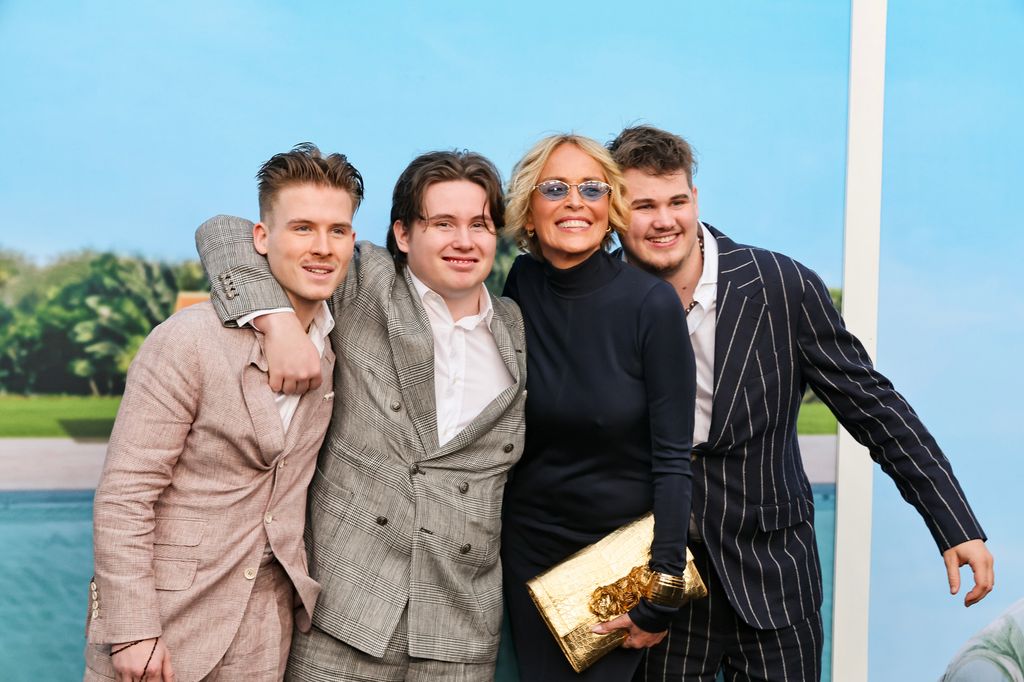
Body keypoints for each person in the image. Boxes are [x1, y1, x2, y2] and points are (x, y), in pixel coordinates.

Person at [605, 124, 994, 682]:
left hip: (775, 584)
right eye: (643, 205)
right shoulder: (602, 302)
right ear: (617, 213)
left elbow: (874, 410)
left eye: (677, 201)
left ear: (696, 199)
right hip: (657, 592)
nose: (664, 220)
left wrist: (955, 524)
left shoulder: (781, 286)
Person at [195, 150, 527, 681]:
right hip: (343, 616)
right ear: (402, 233)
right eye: (442, 223)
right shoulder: (363, 281)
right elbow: (224, 233)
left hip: (460, 631)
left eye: (480, 225)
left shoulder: (517, 328)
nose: (464, 241)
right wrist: (278, 323)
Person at [86, 143, 360, 682]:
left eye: (338, 230)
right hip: (165, 624)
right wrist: (134, 630)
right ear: (261, 238)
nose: (323, 247)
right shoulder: (186, 342)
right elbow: (125, 494)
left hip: (264, 628)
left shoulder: (335, 341)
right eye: (302, 228)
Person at [498, 134, 696, 681]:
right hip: (530, 556)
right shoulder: (522, 283)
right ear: (529, 213)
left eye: (591, 188)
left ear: (610, 208)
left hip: (616, 567)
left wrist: (663, 588)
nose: (575, 200)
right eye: (555, 188)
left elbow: (674, 459)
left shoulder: (651, 305)